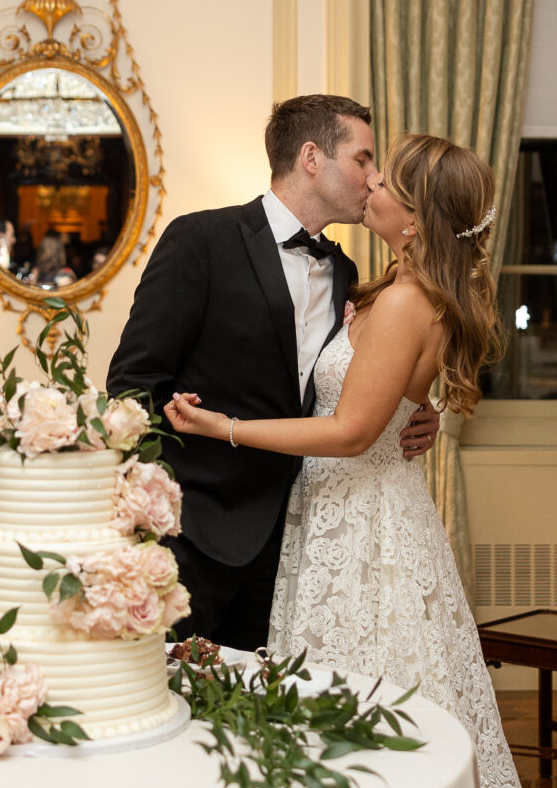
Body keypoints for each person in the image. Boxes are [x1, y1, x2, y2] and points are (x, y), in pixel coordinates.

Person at [165, 131, 557, 788]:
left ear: (414, 208)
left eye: (383, 178)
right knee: (339, 726)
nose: (367, 185)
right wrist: (421, 415)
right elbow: (392, 404)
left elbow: (352, 425)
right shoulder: (388, 289)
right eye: (365, 167)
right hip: (333, 528)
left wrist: (222, 427)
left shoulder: (407, 298)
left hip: (367, 537)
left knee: (379, 721)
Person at [107, 93, 439, 649]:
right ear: (312, 157)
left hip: (302, 541)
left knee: (259, 721)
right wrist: (156, 516)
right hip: (192, 538)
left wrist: (416, 409)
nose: (373, 177)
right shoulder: (201, 241)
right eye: (362, 159)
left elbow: (352, 381)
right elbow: (132, 387)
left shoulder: (348, 271)